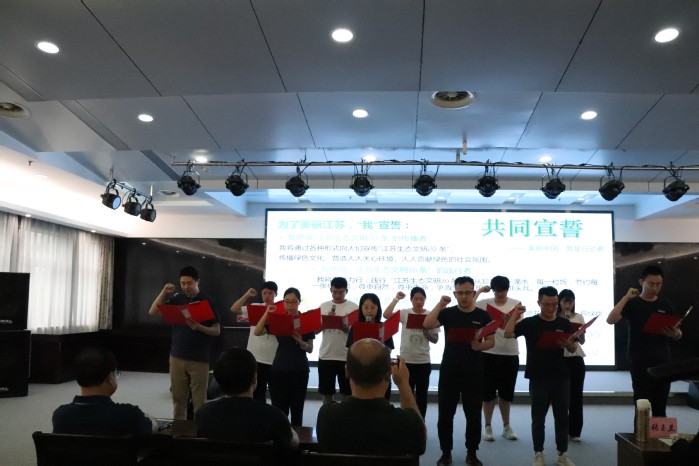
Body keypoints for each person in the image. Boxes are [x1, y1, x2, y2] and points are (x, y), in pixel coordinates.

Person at [424, 276, 495, 466]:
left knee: (473, 415)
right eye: (460, 293)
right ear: (455, 294)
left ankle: (472, 453)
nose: (464, 296)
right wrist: (440, 304)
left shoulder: (483, 316)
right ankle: (445, 453)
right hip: (449, 371)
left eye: (468, 292)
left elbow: (491, 341)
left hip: (474, 372)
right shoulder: (448, 313)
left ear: (473, 293)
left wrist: (478, 346)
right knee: (445, 415)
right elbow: (427, 324)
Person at [504, 286, 577, 466]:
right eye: (547, 304)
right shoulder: (530, 323)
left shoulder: (564, 323)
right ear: (539, 303)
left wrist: (568, 345)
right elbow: (508, 333)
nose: (551, 308)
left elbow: (573, 348)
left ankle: (562, 453)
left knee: (562, 417)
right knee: (538, 418)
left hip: (561, 376)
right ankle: (538, 453)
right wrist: (515, 315)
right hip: (538, 376)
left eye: (554, 304)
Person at [316, 338, 426, 456]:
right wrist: (403, 384)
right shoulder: (406, 423)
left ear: (346, 371)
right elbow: (420, 443)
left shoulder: (327, 416)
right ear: (389, 373)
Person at [606, 265, 682, 418]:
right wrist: (626, 297)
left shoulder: (665, 304)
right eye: (651, 284)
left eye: (659, 284)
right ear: (641, 282)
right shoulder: (633, 303)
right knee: (641, 405)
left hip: (662, 361)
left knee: (660, 406)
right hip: (639, 360)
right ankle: (640, 434)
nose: (655, 288)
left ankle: (659, 434)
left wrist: (674, 333)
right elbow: (611, 319)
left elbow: (679, 333)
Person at [148, 266, 221, 420]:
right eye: (182, 283)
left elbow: (216, 330)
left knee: (199, 402)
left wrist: (199, 327)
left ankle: (199, 430)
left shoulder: (208, 301)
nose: (186, 286)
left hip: (199, 358)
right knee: (178, 401)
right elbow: (152, 311)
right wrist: (164, 292)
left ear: (197, 281)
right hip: (177, 356)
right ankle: (179, 430)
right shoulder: (177, 299)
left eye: (189, 283)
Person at [195, 347, 299, 449]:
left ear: (218, 379)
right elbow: (293, 444)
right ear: (254, 378)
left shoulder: (203, 414)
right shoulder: (274, 416)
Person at [53, 347, 156, 436]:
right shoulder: (129, 414)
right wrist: (150, 418)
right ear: (109, 378)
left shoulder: (61, 416)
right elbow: (152, 428)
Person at [254, 287, 314, 426]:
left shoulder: (306, 319)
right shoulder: (278, 319)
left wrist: (301, 342)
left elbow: (310, 349)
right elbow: (257, 331)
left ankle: (297, 437)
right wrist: (267, 312)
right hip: (279, 369)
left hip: (300, 370)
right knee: (279, 410)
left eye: (294, 302)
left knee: (297, 410)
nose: (290, 305)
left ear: (299, 302)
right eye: (287, 302)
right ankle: (281, 437)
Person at [475, 275, 521, 442]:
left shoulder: (516, 304)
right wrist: (480, 291)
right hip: (488, 353)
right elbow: (469, 306)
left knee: (506, 394)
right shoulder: (485, 303)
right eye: (497, 291)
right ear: (493, 290)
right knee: (487, 393)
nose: (500, 294)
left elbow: (517, 329)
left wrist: (510, 321)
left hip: (510, 353)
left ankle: (506, 426)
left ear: (507, 289)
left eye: (503, 290)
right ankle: (487, 426)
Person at [383, 286, 439, 419]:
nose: (419, 302)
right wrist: (396, 299)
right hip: (405, 362)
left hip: (423, 361)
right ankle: (407, 422)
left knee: (421, 396)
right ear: (411, 300)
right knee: (406, 394)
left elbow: (435, 340)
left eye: (421, 299)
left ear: (425, 300)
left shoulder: (430, 315)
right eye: (416, 299)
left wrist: (426, 331)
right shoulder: (405, 313)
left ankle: (421, 422)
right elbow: (386, 315)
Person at [230, 281, 280, 403]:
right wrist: (247, 295)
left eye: (270, 293)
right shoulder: (255, 307)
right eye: (264, 293)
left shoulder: (280, 310)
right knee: (257, 393)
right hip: (255, 357)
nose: (267, 296)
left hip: (274, 358)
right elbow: (234, 309)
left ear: (276, 294)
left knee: (277, 394)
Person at [346, 292, 395, 399]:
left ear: (378, 308)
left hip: (380, 369)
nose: (369, 311)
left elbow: (389, 349)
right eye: (366, 307)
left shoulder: (383, 326)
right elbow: (350, 348)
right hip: (360, 370)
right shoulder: (355, 327)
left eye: (372, 307)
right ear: (361, 309)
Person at [318, 277, 358, 404]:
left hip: (345, 356)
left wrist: (346, 327)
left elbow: (357, 335)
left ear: (346, 291)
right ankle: (327, 414)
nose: (337, 295)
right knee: (326, 391)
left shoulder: (354, 308)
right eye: (334, 292)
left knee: (347, 392)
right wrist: (326, 322)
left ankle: (345, 415)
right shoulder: (323, 306)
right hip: (326, 355)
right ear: (330, 290)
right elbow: (315, 331)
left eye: (341, 292)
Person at [557, 289, 586, 442]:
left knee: (576, 395)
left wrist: (580, 333)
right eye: (565, 302)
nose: (568, 305)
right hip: (560, 358)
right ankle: (562, 430)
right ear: (559, 303)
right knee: (561, 397)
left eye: (570, 302)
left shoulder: (579, 317)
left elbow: (583, 342)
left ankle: (575, 431)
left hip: (576, 358)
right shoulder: (554, 317)